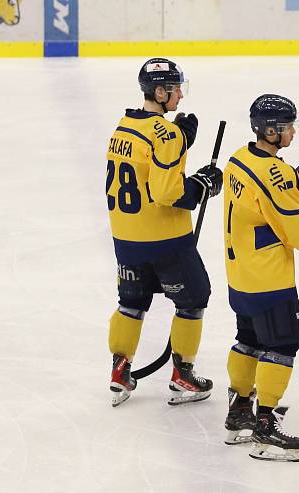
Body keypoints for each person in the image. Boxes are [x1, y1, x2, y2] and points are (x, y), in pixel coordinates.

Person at [106, 58, 222, 407]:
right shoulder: (168, 134)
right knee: (194, 297)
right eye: (175, 90)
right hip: (165, 240)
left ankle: (119, 371)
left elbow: (146, 166)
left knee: (131, 302)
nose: (180, 97)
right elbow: (168, 193)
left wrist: (180, 142)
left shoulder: (123, 127)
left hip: (126, 238)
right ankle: (183, 375)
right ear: (160, 91)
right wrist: (203, 186)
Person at [221, 94, 299, 463]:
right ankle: (265, 425)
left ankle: (238, 413)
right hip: (269, 278)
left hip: (241, 273)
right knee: (282, 344)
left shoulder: (238, 158)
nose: (292, 131)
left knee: (248, 339)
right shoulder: (277, 173)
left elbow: (260, 200)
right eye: (287, 127)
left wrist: (297, 183)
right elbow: (298, 235)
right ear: (270, 130)